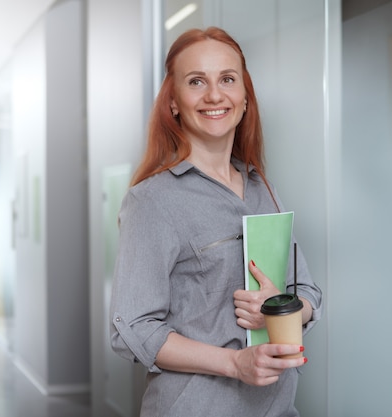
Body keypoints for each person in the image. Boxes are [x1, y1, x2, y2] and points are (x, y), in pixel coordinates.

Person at [109, 26, 323, 417]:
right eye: (196, 81)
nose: (214, 95)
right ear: (173, 102)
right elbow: (133, 329)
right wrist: (234, 364)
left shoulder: (262, 188)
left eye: (227, 79)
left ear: (244, 98)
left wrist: (283, 307)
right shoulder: (152, 201)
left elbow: (307, 291)